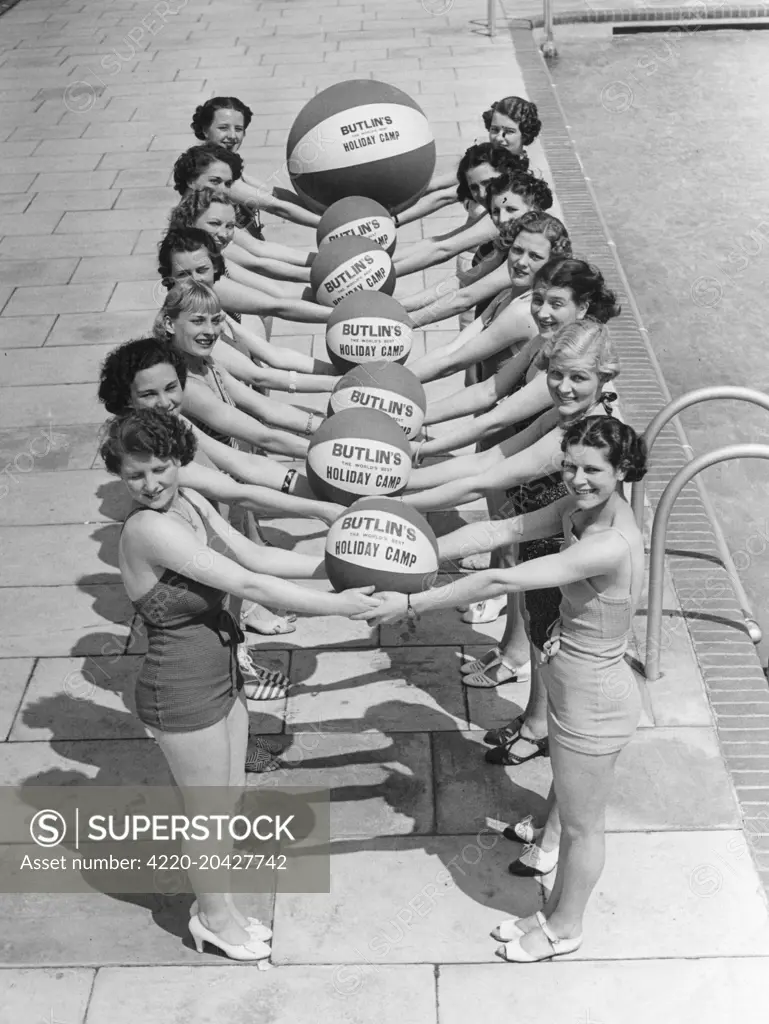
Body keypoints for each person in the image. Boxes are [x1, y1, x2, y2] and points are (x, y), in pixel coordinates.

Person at [364, 416, 647, 961]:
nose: (577, 479)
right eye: (570, 465)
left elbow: (501, 578)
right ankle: (553, 912)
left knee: (583, 828)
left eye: (593, 470)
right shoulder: (577, 511)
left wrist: (409, 603)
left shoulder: (612, 543)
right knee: (567, 809)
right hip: (571, 686)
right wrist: (411, 555)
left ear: (622, 470)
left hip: (597, 701)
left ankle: (567, 930)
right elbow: (500, 532)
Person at [103, 409, 378, 961]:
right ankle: (212, 917)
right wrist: (340, 607)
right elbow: (247, 582)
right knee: (207, 812)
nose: (152, 484)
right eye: (137, 475)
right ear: (120, 474)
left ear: (178, 459)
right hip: (179, 689)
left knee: (225, 803)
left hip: (223, 674)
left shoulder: (191, 502)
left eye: (161, 468)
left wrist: (341, 564)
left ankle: (216, 905)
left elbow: (254, 554)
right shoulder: (148, 528)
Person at [405, 323, 622, 769]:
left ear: (605, 375)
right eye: (556, 374)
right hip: (541, 540)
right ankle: (535, 719)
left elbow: (491, 478)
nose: (563, 387)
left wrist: (401, 500)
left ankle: (542, 730)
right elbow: (488, 459)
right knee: (537, 628)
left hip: (565, 554)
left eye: (578, 377)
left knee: (554, 647)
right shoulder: (565, 418)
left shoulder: (589, 435)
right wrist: (403, 483)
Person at [97, 337, 344, 711]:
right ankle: (236, 677)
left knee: (221, 622)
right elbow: (235, 491)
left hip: (210, 529)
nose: (165, 402)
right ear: (128, 398)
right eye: (149, 394)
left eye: (171, 388)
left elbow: (242, 466)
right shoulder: (149, 450)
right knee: (207, 624)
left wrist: (320, 503)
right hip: (185, 559)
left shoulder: (170, 425)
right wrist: (319, 510)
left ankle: (235, 681)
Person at [157, 228, 340, 390]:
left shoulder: (210, 310)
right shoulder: (187, 327)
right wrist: (335, 383)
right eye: (183, 275)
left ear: (215, 268)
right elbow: (258, 377)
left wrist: (334, 371)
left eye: (202, 270)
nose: (195, 280)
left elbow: (273, 355)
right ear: (169, 278)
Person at [155, 279, 322, 455]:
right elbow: (264, 438)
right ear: (169, 324)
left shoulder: (202, 361)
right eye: (198, 321)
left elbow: (266, 407)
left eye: (216, 320)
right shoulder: (185, 384)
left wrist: (322, 425)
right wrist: (329, 450)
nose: (210, 331)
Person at [407, 212, 572, 385]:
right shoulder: (507, 294)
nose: (521, 262)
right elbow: (452, 349)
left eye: (535, 256)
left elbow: (452, 362)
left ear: (553, 263)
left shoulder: (524, 312)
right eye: (517, 250)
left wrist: (391, 379)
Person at [403, 170, 554, 329]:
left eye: (511, 209)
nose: (502, 219)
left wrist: (405, 322)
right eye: (495, 211)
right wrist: (402, 306)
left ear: (534, 207)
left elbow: (465, 298)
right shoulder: (508, 241)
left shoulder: (531, 249)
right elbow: (464, 280)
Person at [167, 188, 330, 325]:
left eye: (230, 226)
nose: (224, 235)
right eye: (214, 224)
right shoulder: (199, 277)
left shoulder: (209, 256)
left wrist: (330, 276)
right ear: (191, 222)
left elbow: (277, 289)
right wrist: (340, 312)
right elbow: (276, 306)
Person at [172, 144, 314, 283]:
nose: (223, 191)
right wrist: (319, 270)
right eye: (215, 181)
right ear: (191, 181)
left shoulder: (201, 211)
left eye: (227, 184)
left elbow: (258, 248)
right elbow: (257, 265)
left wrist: (317, 262)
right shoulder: (195, 225)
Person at [393, 142, 530, 280]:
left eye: (488, 183)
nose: (482, 194)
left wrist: (384, 272)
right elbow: (441, 242)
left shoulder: (506, 216)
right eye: (474, 188)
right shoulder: (499, 207)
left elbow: (443, 250)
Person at [190, 95, 321, 229]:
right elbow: (277, 207)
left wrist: (321, 210)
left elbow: (272, 193)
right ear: (205, 130)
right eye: (223, 128)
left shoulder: (222, 162)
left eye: (239, 129)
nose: (232, 136)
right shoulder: (210, 170)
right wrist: (329, 223)